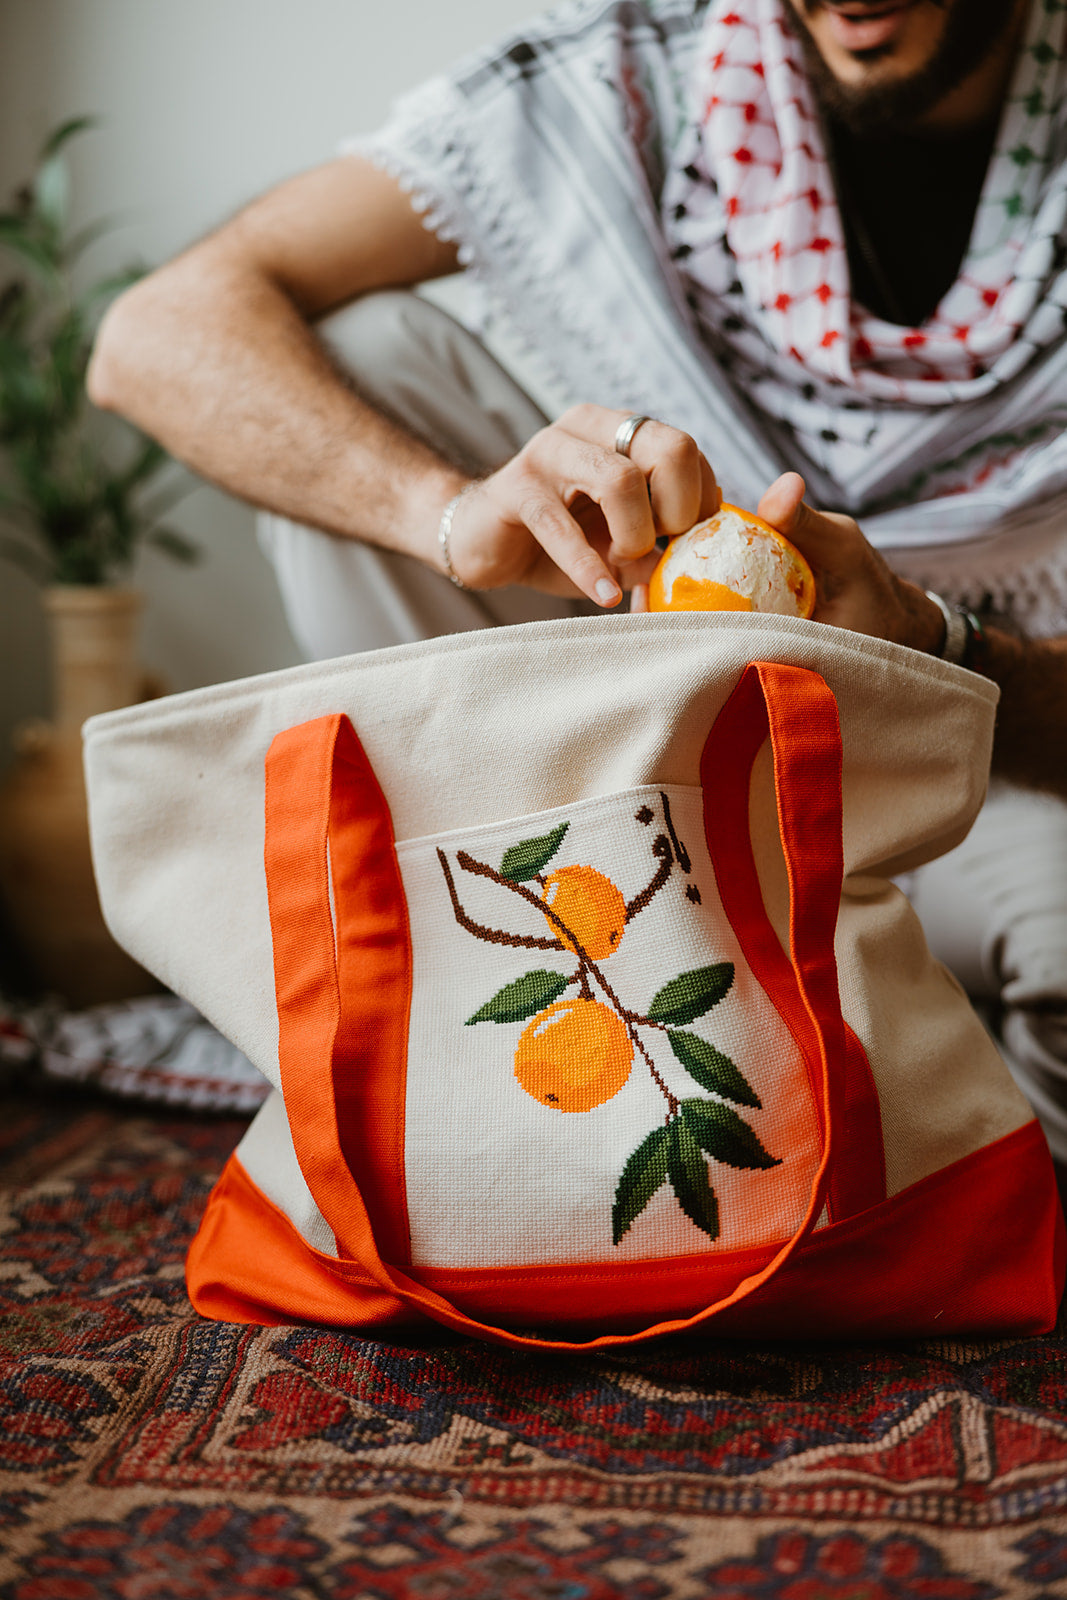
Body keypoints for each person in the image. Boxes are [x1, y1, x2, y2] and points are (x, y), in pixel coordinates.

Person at [88, 0, 1067, 1161]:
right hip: (632, 778)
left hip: (983, 784)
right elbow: (152, 335)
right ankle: (536, 958)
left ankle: (877, 1086)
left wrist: (936, 650)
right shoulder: (629, 82)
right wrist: (447, 515)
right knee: (364, 358)